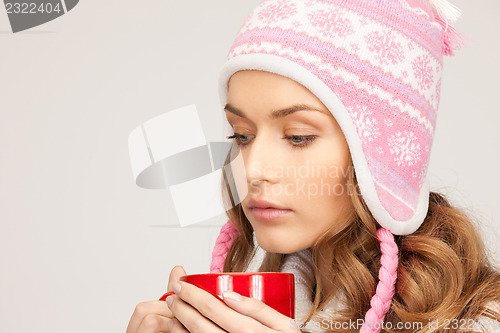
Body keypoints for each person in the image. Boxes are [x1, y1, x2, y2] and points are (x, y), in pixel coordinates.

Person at [126, 0, 500, 332]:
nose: (252, 171)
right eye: (241, 135)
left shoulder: (480, 320)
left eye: (298, 136)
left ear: (382, 156)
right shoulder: (256, 313)